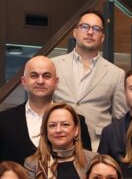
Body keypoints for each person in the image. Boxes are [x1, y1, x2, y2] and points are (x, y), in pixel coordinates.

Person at [0, 55, 91, 166]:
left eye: (46, 76)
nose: (40, 81)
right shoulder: (3, 120)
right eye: (34, 76)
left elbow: (86, 165)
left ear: (56, 82)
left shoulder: (76, 121)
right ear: (24, 81)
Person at [51, 10, 126, 151]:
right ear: (75, 32)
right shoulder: (54, 65)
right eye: (85, 27)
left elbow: (119, 121)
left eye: (96, 29)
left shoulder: (116, 74)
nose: (90, 32)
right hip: (56, 146)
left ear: (102, 37)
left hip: (97, 149)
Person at [25, 103, 92, 179]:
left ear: (76, 130)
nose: (58, 130)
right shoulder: (33, 164)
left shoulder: (93, 160)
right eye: (52, 125)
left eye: (65, 124)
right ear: (45, 131)